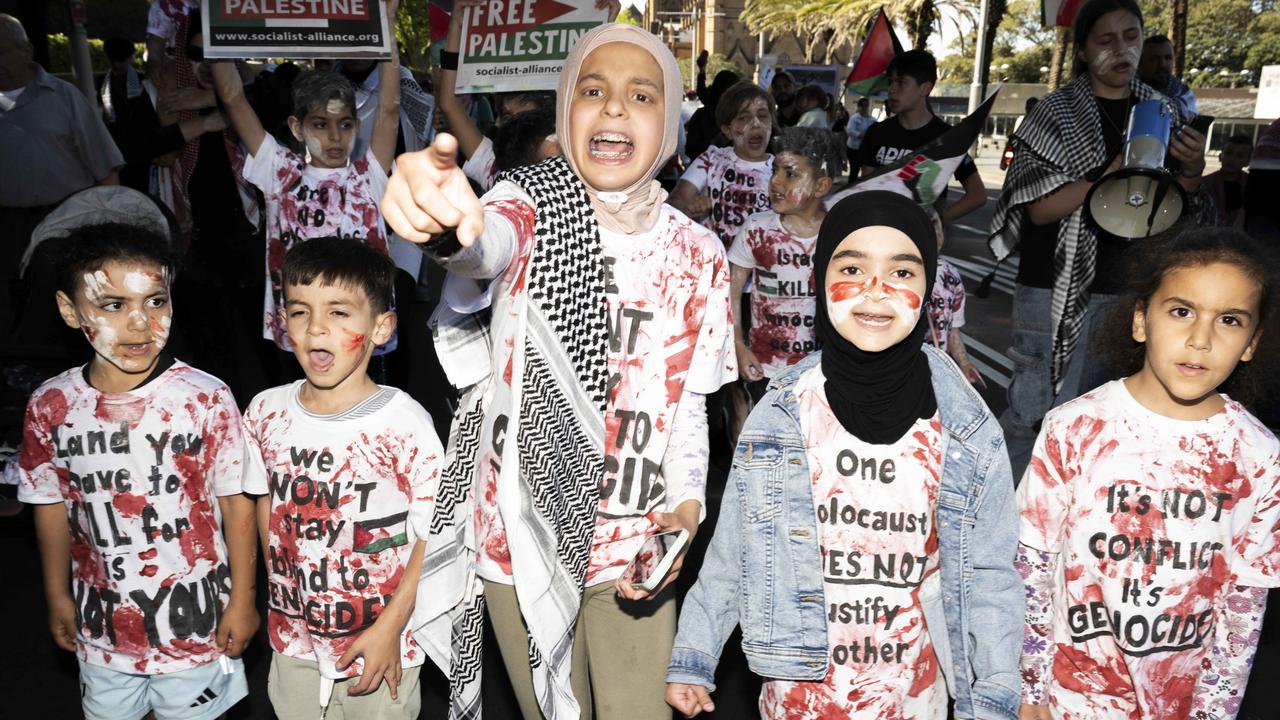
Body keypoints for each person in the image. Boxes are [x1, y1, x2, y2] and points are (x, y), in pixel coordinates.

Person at [379, 23, 735, 720]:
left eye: (641, 94)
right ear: (565, 105)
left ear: (668, 126)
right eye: (592, 90)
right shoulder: (528, 203)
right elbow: (485, 242)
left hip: (633, 545)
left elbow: (689, 403)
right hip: (521, 539)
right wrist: (446, 223)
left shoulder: (700, 255)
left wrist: (687, 500)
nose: (612, 108)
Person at [665, 191, 1022, 720]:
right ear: (818, 280)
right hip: (797, 695)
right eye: (853, 267)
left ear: (928, 289)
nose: (876, 291)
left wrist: (995, 689)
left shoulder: (966, 430)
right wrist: (695, 655)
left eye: (902, 273)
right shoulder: (784, 416)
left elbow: (990, 573)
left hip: (914, 697)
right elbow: (734, 551)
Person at [1016, 227, 1280, 719]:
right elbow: (1033, 571)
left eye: (1228, 320)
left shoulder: (1259, 456)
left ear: (1251, 343)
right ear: (1141, 320)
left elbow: (1242, 612)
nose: (1200, 339)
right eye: (1181, 311)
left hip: (1177, 705)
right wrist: (1030, 693)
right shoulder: (1073, 427)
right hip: (1069, 696)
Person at [18, 223, 257, 720]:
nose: (140, 323)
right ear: (70, 310)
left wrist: (243, 600)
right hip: (102, 626)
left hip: (197, 625)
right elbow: (49, 505)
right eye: (113, 305)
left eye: (155, 302)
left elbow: (237, 502)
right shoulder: (51, 406)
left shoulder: (204, 397)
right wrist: (57, 593)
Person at [987, 0, 1211, 480]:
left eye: (1131, 37)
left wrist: (1191, 173)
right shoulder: (1055, 112)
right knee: (1033, 418)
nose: (1121, 51)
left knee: (1109, 423)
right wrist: (1108, 178)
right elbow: (1037, 208)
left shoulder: (1165, 112)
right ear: (1084, 52)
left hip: (1133, 290)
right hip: (1050, 291)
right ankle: (1012, 536)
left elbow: (1180, 218)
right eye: (1105, 41)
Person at [241, 237, 444, 719]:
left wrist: (390, 628)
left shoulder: (402, 421)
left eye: (338, 313)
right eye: (299, 312)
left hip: (379, 641)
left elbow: (435, 534)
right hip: (295, 641)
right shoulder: (266, 412)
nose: (316, 330)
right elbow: (263, 508)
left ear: (381, 327)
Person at [209, 16, 401, 354]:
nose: (335, 136)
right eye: (320, 124)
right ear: (297, 129)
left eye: (344, 124)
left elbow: (389, 108)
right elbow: (233, 97)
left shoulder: (367, 175)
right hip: (302, 328)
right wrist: (216, 20)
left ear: (357, 125)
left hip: (360, 323)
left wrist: (385, 23)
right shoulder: (279, 171)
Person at [0, 14, 124, 331]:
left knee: (70, 313)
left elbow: (106, 168)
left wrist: (111, 235)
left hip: (67, 223)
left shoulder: (64, 96)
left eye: (1, 52)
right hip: (8, 227)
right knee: (16, 318)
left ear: (25, 50)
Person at [726, 126, 839, 436]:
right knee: (753, 442)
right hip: (765, 368)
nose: (775, 181)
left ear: (821, 186)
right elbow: (731, 291)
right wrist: (738, 345)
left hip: (822, 371)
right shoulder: (757, 229)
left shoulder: (840, 234)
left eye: (790, 174)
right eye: (775, 170)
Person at [858, 49, 986, 225]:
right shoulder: (877, 133)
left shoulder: (948, 138)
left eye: (902, 83)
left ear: (925, 88)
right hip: (879, 230)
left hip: (922, 243)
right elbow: (865, 186)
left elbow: (977, 195)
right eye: (891, 82)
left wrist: (936, 221)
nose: (892, 90)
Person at [669, 81, 776, 249]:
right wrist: (688, 207)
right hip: (714, 265)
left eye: (762, 116)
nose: (756, 124)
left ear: (772, 122)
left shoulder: (781, 170)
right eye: (743, 118)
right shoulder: (711, 160)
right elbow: (675, 201)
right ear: (727, 129)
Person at [925, 209, 984, 387]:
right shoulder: (897, 274)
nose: (936, 234)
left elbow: (952, 329)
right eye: (929, 226)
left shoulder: (950, 274)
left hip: (937, 373)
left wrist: (964, 362)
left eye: (938, 226)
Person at [1138, 34, 1197, 121]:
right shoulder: (1129, 89)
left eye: (1168, 58)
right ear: (1140, 61)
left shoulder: (1183, 91)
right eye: (1154, 59)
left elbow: (1191, 117)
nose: (1162, 64)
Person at [1204, 134, 1253, 228]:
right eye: (1228, 153)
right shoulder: (1205, 183)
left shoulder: (1251, 185)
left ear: (1247, 162)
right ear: (1220, 156)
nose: (1232, 159)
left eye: (1239, 156)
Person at [845, 96, 876, 184]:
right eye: (862, 106)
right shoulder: (854, 118)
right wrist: (860, 135)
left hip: (866, 149)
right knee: (854, 170)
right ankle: (850, 188)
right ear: (859, 107)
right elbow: (849, 130)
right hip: (854, 148)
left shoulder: (872, 120)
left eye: (866, 106)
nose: (864, 108)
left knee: (866, 171)